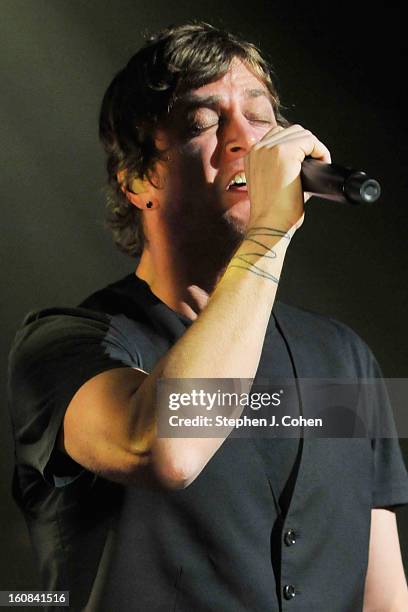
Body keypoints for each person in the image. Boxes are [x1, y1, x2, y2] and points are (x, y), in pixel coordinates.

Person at [8, 22, 408, 611]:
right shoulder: (62, 345)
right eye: (203, 122)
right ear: (138, 179)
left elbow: (383, 590)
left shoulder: (343, 357)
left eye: (261, 116)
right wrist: (269, 233)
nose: (244, 139)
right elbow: (167, 448)